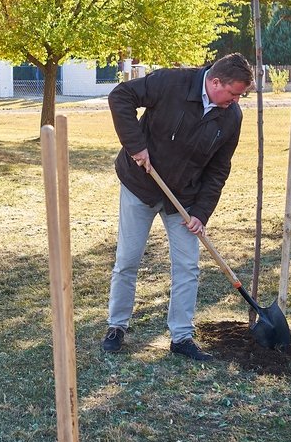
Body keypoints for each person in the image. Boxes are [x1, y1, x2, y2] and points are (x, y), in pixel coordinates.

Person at [102, 53, 253, 360]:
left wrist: (201, 213)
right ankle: (117, 326)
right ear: (214, 82)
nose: (236, 101)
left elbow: (218, 170)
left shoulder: (232, 117)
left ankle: (181, 337)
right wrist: (136, 146)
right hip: (140, 185)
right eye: (234, 93)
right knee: (128, 259)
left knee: (187, 266)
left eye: (241, 95)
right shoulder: (171, 82)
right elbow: (121, 96)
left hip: (184, 197)